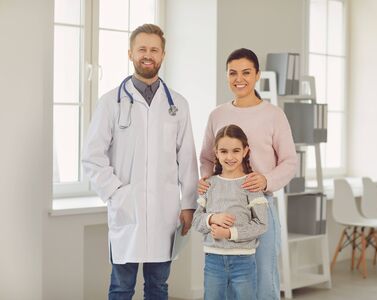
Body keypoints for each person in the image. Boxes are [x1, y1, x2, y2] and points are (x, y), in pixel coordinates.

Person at [82, 23, 198, 300]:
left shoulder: (178, 105)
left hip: (165, 211)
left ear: (163, 55)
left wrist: (188, 205)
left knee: (158, 287)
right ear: (131, 53)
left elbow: (188, 158)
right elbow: (92, 157)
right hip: (126, 210)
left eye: (154, 49)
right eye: (142, 49)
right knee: (121, 287)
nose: (148, 55)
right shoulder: (110, 102)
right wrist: (117, 194)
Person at [198, 48, 297, 300]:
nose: (238, 78)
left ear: (257, 75)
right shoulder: (217, 114)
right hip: (224, 209)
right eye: (232, 73)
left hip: (259, 205)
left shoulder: (274, 115)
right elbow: (207, 158)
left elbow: (289, 161)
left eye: (246, 72)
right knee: (228, 282)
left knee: (264, 277)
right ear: (226, 76)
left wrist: (267, 180)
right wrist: (206, 185)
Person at [193, 124, 268, 300]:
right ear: (216, 153)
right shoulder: (209, 184)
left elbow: (262, 224)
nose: (230, 157)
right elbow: (197, 220)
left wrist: (229, 233)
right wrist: (212, 218)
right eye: (224, 151)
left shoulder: (251, 184)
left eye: (235, 151)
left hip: (243, 261)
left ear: (245, 151)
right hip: (213, 260)